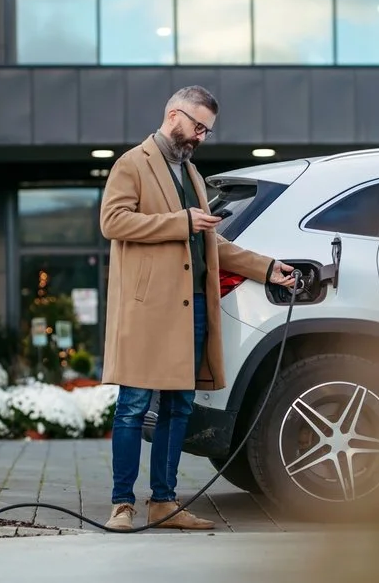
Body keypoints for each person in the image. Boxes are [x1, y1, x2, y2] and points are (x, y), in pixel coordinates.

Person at [99, 85, 297, 531]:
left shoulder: (190, 174)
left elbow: (211, 241)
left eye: (206, 131)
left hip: (191, 310)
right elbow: (112, 221)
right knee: (132, 406)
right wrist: (182, 222)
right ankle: (122, 505)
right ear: (174, 115)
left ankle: (164, 504)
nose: (201, 137)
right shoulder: (132, 163)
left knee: (179, 407)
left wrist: (267, 269)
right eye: (197, 127)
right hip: (147, 312)